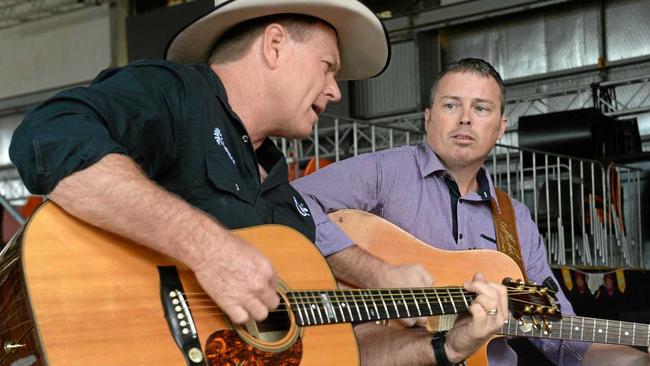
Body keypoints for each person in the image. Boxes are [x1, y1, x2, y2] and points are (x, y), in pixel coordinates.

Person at [9, 0, 389, 326]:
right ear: (274, 46)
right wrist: (207, 248)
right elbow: (51, 136)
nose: (335, 90)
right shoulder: (178, 95)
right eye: (327, 66)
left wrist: (438, 348)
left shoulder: (288, 204)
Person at [292, 58, 649, 365]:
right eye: (451, 105)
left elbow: (563, 339)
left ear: (500, 128)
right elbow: (291, 202)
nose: (465, 119)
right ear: (428, 118)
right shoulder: (384, 173)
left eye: (481, 108)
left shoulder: (515, 221)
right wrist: (377, 274)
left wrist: (633, 357)